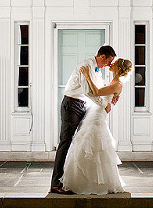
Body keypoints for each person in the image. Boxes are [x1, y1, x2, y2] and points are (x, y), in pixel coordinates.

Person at [60, 57, 133, 195]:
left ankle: (92, 183)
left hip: (97, 116)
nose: (111, 64)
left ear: (119, 69)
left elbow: (97, 92)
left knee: (93, 146)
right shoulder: (113, 81)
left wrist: (87, 76)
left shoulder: (117, 84)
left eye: (114, 63)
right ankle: (83, 180)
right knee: (85, 145)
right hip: (93, 112)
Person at [50, 45, 116, 195]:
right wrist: (104, 104)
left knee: (81, 142)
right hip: (72, 105)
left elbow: (97, 89)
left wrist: (112, 94)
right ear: (102, 57)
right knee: (65, 142)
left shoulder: (97, 70)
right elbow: (88, 91)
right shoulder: (86, 65)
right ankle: (55, 184)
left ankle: (74, 180)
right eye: (108, 62)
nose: (108, 65)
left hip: (84, 105)